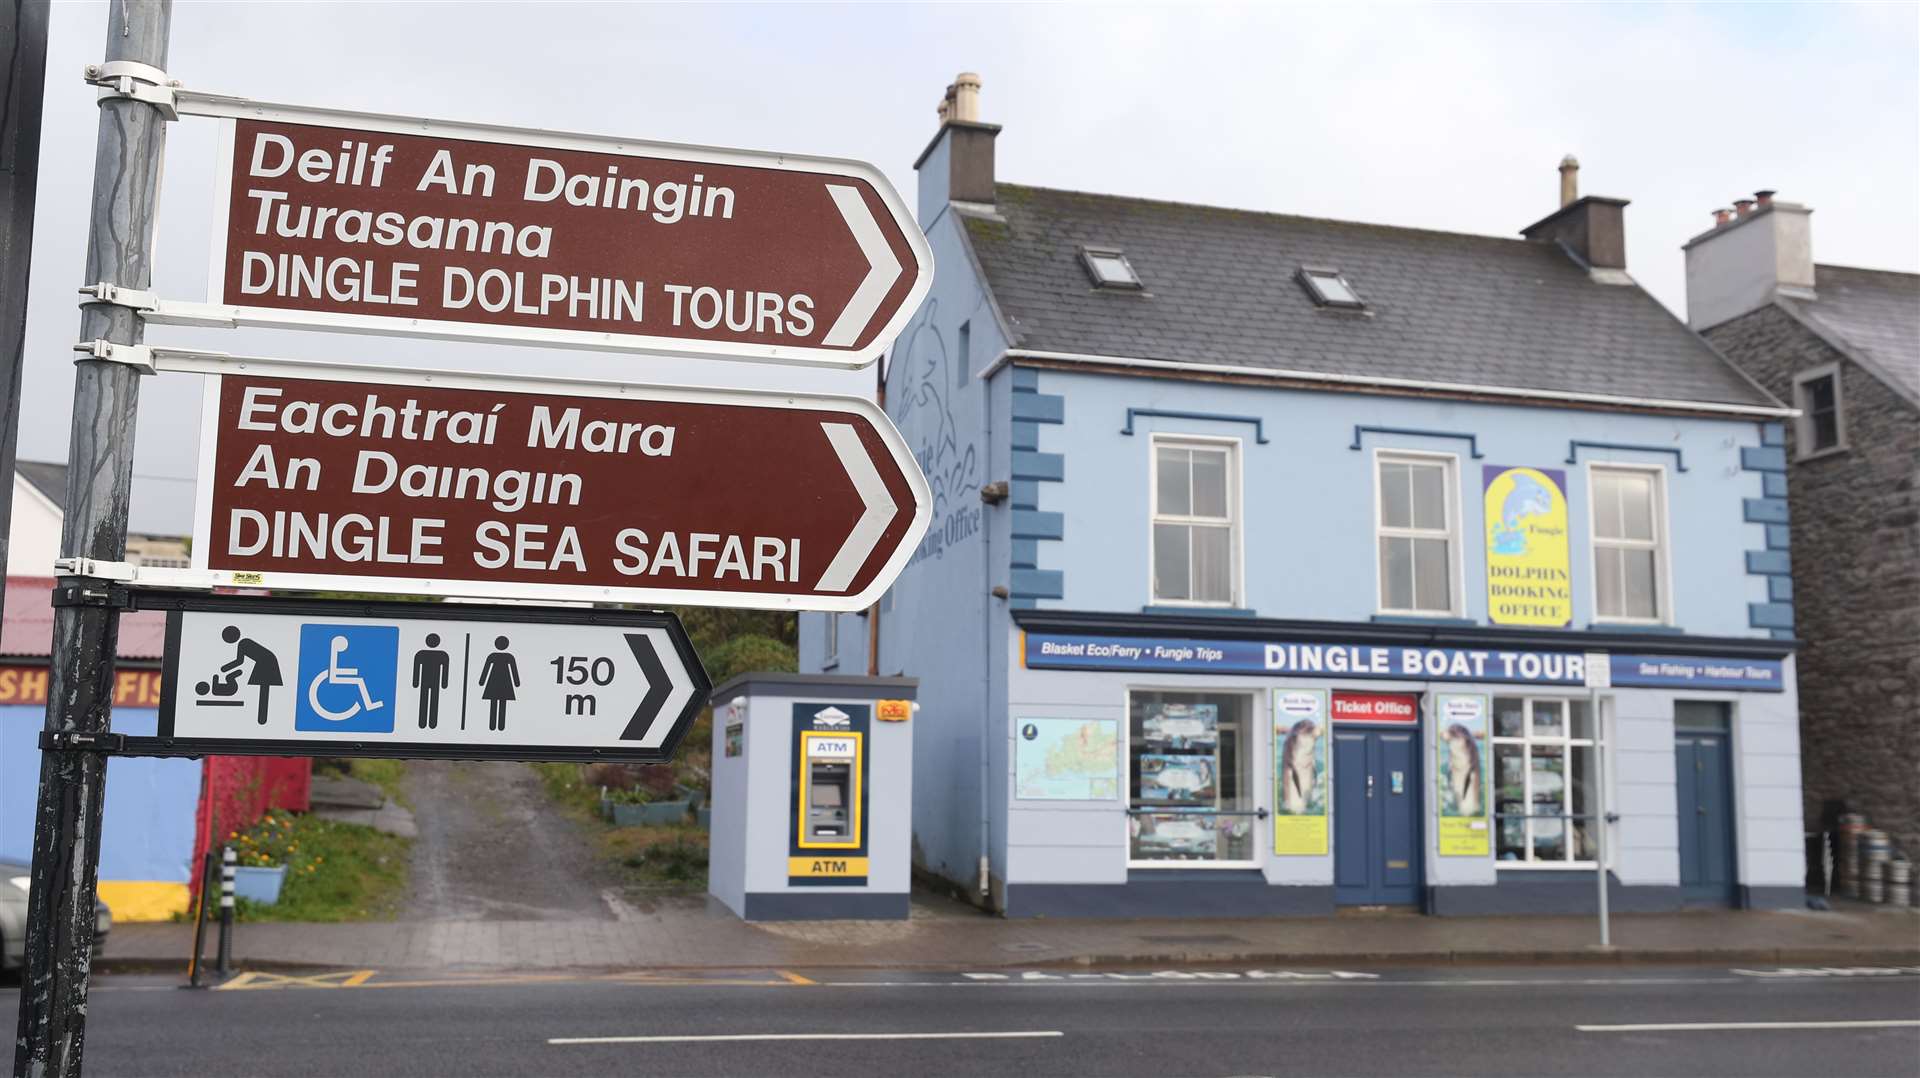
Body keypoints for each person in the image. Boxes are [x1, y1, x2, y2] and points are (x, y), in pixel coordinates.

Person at [219, 625, 283, 726]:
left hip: (266, 663)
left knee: (264, 689)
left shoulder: (243, 644)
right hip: (268, 661)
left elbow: (239, 661)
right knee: (264, 689)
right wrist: (225, 669)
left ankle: (262, 720)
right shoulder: (245, 642)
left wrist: (224, 668)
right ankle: (262, 720)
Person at [478, 636, 519, 732]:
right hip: (504, 681)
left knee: (497, 703)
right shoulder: (507, 656)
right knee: (500, 703)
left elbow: (513, 669)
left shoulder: (495, 656)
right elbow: (513, 670)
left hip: (496, 681)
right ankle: (497, 726)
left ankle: (496, 726)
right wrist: (516, 682)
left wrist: (482, 681)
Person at [412, 634, 451, 730]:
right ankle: (429, 723)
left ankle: (426, 723)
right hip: (432, 682)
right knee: (432, 700)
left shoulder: (421, 654)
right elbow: (416, 669)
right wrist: (444, 683)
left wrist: (415, 682)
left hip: (428, 681)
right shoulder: (442, 655)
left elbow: (445, 670)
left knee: (426, 700)